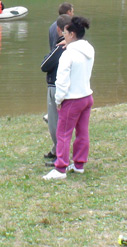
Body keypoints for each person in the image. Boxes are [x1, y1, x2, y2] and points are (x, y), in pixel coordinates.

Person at [43, 16, 94, 181]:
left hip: (72, 99)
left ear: (71, 34)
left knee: (63, 133)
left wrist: (58, 100)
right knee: (82, 132)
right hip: (86, 96)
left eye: (65, 32)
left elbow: (62, 82)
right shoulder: (89, 49)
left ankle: (60, 168)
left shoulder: (67, 54)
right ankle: (79, 165)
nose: (63, 35)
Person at [40, 14, 72, 167]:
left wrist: (51, 52)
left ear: (59, 30)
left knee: (55, 124)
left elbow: (44, 66)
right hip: (72, 89)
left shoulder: (61, 48)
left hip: (56, 87)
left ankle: (60, 155)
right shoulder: (79, 46)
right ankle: (57, 151)